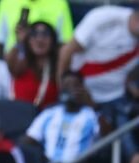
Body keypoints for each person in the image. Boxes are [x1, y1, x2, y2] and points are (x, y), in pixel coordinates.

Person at [58, 5, 139, 142]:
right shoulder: (105, 18)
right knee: (76, 140)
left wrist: (131, 86)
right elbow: (66, 52)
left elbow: (132, 71)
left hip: (116, 98)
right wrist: (62, 91)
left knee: (127, 144)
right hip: (80, 94)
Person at [23, 71, 100, 163]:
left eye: (74, 85)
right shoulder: (50, 113)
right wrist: (41, 157)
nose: (70, 89)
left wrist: (92, 105)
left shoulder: (91, 114)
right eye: (66, 85)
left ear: (82, 88)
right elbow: (28, 139)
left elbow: (108, 136)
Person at [0, 0, 73, 58]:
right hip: (14, 64)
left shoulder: (59, 3)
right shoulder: (6, 2)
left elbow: (65, 43)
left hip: (47, 65)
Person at [7, 21, 59, 109]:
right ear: (28, 40)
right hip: (18, 115)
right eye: (34, 34)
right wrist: (20, 42)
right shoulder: (20, 66)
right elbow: (10, 64)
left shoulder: (58, 67)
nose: (39, 39)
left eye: (45, 34)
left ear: (52, 40)